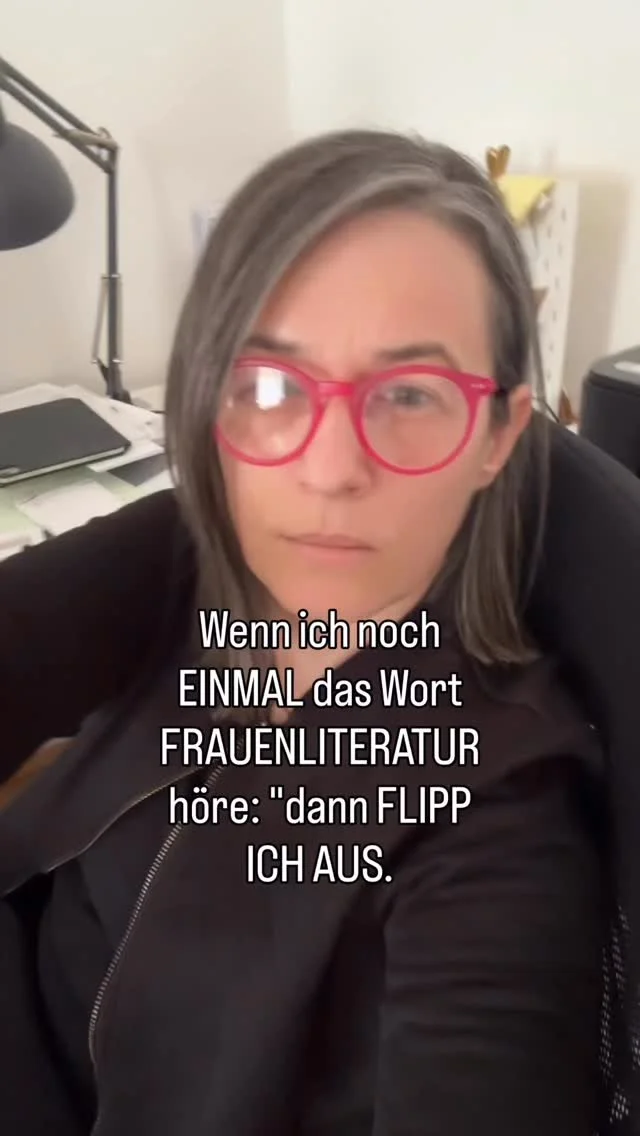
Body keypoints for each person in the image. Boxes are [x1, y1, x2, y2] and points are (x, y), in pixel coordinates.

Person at [0, 129, 604, 1136]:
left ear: (497, 435)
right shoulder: (204, 572)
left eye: (408, 396)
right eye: (271, 385)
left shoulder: (499, 827)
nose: (328, 469)